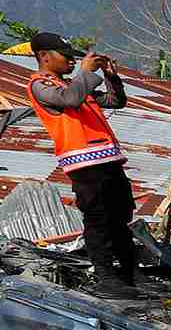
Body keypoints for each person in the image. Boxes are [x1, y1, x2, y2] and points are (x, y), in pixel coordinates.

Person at [23, 32, 141, 295]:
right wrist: (86, 73)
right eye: (66, 57)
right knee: (98, 220)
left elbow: (115, 101)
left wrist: (111, 76)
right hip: (84, 165)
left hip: (108, 160)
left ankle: (129, 274)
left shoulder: (74, 85)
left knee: (121, 217)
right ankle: (106, 277)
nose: (72, 62)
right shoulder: (40, 85)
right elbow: (69, 100)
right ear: (44, 56)